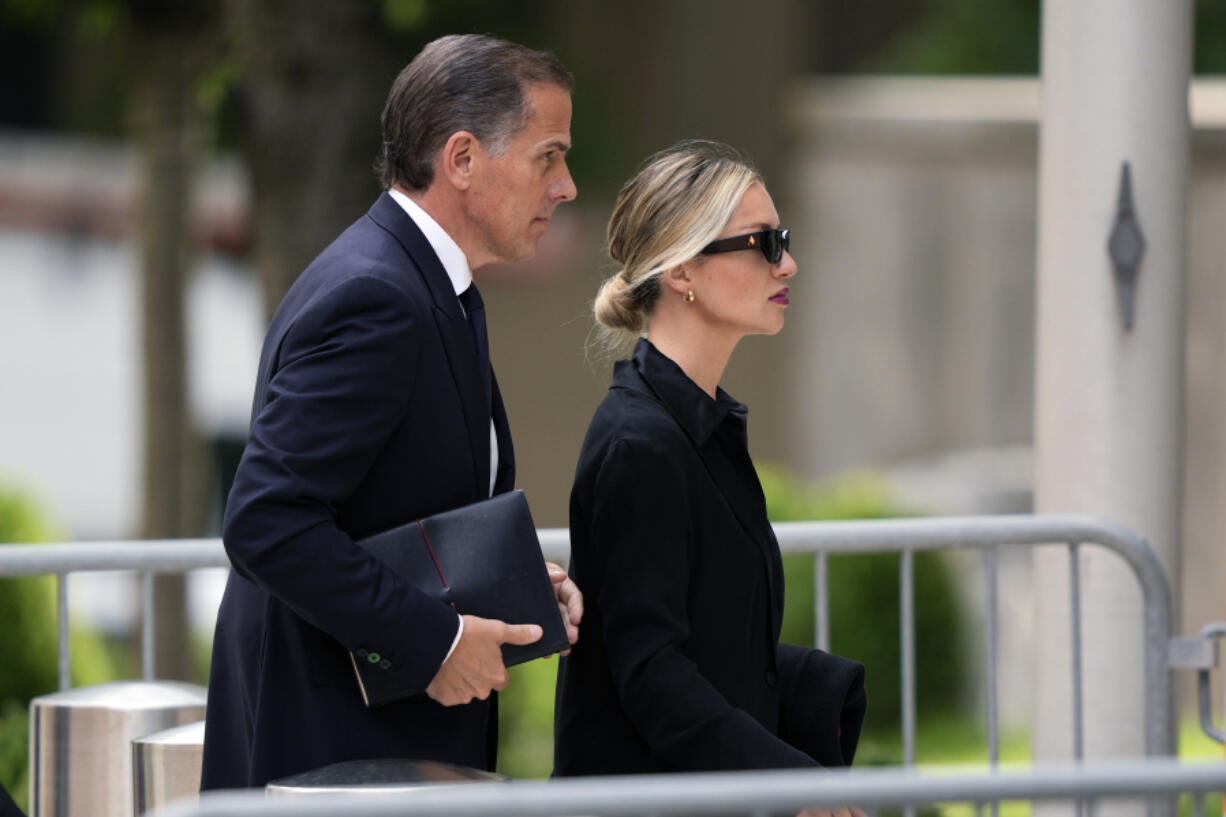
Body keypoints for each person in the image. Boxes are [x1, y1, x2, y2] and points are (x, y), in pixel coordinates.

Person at [201, 33, 583, 789]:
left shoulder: (424, 285)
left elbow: (390, 506)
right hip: (336, 753)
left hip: (376, 747)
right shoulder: (380, 297)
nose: (566, 185)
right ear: (463, 159)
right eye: (549, 156)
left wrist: (513, 584)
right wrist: (437, 641)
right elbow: (267, 519)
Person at [553, 140, 866, 778]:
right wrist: (788, 780)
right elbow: (651, 673)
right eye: (764, 244)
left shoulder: (697, 426)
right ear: (682, 271)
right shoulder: (641, 445)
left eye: (784, 239)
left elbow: (704, 638)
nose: (789, 265)